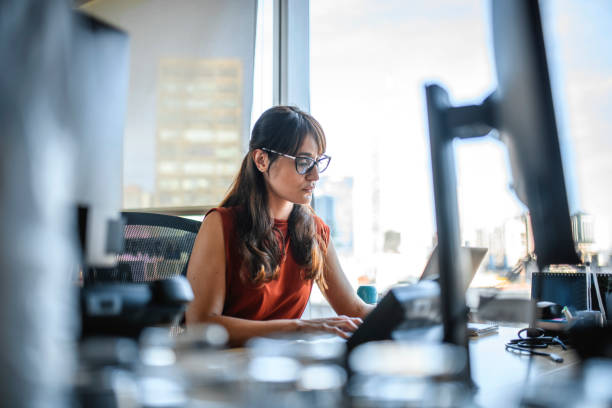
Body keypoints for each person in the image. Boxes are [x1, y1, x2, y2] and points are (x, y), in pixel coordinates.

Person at [185, 106, 374, 346]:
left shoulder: (314, 230)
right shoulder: (221, 224)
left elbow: (354, 309)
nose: (315, 175)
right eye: (304, 162)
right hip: (226, 371)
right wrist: (299, 328)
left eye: (318, 162)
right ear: (262, 160)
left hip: (281, 370)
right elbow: (201, 323)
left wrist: (415, 310)